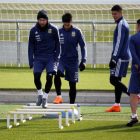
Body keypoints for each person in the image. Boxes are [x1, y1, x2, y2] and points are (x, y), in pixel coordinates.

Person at [28, 10, 60, 108]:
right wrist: (31, 60)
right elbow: (31, 46)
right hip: (38, 57)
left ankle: (45, 98)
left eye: (44, 20)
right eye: (40, 20)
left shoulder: (53, 29)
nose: (42, 22)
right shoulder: (33, 30)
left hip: (50, 57)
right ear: (38, 20)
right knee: (36, 76)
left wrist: (57, 58)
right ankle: (40, 94)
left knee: (50, 77)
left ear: (47, 20)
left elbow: (58, 44)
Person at [53, 13, 87, 104]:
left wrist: (84, 61)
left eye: (68, 25)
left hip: (73, 61)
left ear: (71, 22)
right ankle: (59, 97)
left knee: (72, 84)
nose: (66, 26)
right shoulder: (58, 31)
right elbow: (54, 45)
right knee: (56, 73)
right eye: (65, 25)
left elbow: (83, 46)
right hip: (61, 59)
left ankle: (71, 106)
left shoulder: (77, 31)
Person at [105, 5, 130, 112]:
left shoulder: (121, 25)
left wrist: (114, 58)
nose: (113, 16)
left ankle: (133, 94)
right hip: (123, 55)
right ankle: (117, 104)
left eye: (115, 14)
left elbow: (119, 42)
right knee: (117, 79)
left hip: (120, 57)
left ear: (121, 13)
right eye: (112, 14)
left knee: (113, 80)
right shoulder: (123, 23)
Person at [126, 19, 140, 126]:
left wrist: (139, 65)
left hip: (137, 69)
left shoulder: (133, 38)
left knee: (133, 93)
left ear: (138, 26)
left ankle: (134, 115)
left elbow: (133, 54)